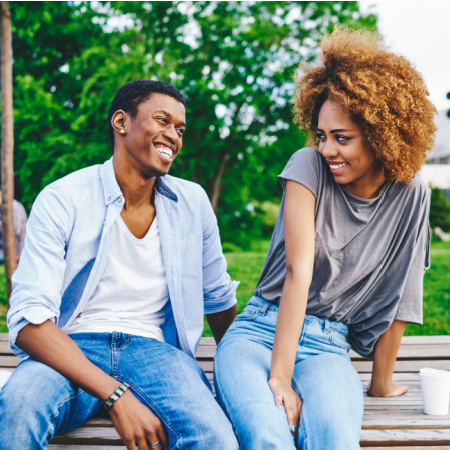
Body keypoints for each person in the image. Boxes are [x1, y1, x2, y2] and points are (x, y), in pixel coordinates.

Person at [214, 28, 436, 449]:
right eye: (322, 135)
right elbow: (300, 269)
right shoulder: (308, 166)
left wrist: (382, 383)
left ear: (380, 134)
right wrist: (279, 376)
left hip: (328, 348)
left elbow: (406, 290)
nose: (328, 149)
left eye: (342, 137)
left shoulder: (411, 194)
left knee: (333, 439)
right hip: (260, 331)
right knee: (267, 435)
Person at [0, 80, 239, 450]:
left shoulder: (192, 203)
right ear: (121, 122)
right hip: (71, 347)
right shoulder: (64, 198)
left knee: (216, 439)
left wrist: (243, 381)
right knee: (18, 409)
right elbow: (30, 322)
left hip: (156, 353)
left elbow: (219, 299)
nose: (173, 135)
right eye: (162, 120)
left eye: (180, 128)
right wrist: (116, 395)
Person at [0, 190, 27, 262]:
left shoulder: (14, 207)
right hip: (7, 247)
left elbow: (16, 230)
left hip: (18, 250)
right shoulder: (3, 207)